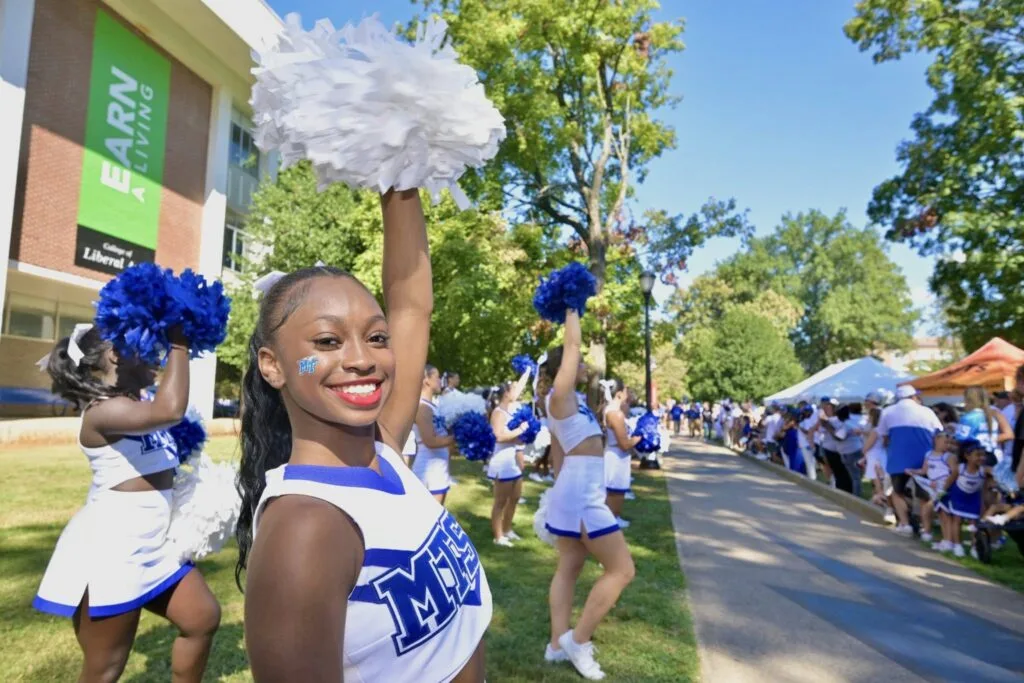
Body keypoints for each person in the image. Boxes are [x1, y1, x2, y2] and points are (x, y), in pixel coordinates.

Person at [236, 191, 490, 682]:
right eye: (327, 342)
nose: (362, 359)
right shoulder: (306, 528)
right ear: (273, 365)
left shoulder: (384, 451)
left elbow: (412, 306)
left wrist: (398, 160)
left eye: (376, 337)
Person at [32, 325, 220, 682]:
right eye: (144, 345)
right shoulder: (103, 410)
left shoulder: (138, 403)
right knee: (105, 668)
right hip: (112, 550)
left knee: (202, 617)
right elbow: (170, 410)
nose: (156, 351)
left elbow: (167, 420)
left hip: (154, 543)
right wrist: (179, 340)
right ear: (116, 356)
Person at [538, 310, 635, 680]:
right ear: (566, 365)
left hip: (575, 487)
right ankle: (578, 641)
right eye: (576, 361)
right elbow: (573, 342)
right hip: (582, 492)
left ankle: (556, 646)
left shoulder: (570, 400)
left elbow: (561, 451)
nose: (583, 365)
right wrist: (572, 307)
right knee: (622, 569)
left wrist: (558, 493)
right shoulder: (560, 396)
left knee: (570, 566)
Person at [877, 384, 943, 537]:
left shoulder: (887, 412)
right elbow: (938, 432)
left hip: (898, 458)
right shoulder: (927, 411)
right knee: (925, 496)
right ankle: (926, 530)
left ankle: (905, 524)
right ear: (913, 397)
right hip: (923, 459)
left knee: (897, 492)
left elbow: (883, 436)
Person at [488, 380, 530, 546]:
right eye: (513, 389)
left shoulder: (511, 411)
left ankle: (507, 529)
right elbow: (498, 436)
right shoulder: (498, 413)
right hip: (502, 461)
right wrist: (519, 431)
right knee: (500, 501)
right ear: (506, 393)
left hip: (513, 458)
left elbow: (514, 437)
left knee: (515, 497)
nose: (517, 391)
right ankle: (498, 536)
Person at [936, 439, 990, 558]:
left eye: (983, 455)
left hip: (973, 498)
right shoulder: (959, 469)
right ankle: (957, 545)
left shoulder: (984, 471)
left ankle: (974, 546)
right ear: (967, 456)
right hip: (958, 496)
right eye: (977, 455)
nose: (981, 458)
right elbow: (949, 481)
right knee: (957, 520)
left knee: (973, 523)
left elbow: (987, 485)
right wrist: (942, 491)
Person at [411, 364, 456, 503]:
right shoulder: (422, 407)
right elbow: (430, 441)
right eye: (437, 377)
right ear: (427, 380)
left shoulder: (431, 405)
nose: (440, 381)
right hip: (429, 469)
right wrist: (457, 436)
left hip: (438, 467)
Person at [601, 380, 642, 529]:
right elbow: (624, 444)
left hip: (614, 453)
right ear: (618, 394)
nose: (627, 394)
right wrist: (639, 438)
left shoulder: (610, 410)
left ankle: (613, 517)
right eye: (625, 391)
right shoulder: (615, 414)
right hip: (616, 455)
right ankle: (613, 518)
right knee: (616, 489)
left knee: (617, 488)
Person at [904, 431, 955, 546]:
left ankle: (947, 539)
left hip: (943, 489)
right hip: (931, 486)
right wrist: (912, 471)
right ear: (936, 440)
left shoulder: (949, 457)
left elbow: (954, 473)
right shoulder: (929, 455)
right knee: (932, 510)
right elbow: (924, 471)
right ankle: (928, 532)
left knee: (938, 511)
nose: (947, 445)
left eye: (949, 443)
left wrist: (945, 485)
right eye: (945, 442)